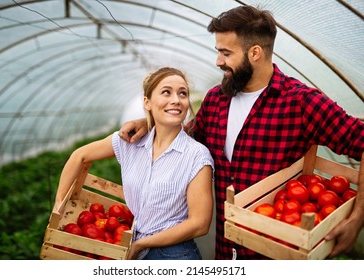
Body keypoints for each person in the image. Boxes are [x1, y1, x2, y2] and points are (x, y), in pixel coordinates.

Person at [118, 5, 364, 260]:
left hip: (278, 254)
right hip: (226, 252)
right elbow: (185, 139)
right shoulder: (216, 100)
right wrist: (151, 121)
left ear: (255, 53)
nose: (218, 61)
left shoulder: (301, 102)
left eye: (226, 53)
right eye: (218, 52)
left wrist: (357, 218)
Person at [54, 67, 214, 260]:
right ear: (147, 102)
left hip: (174, 254)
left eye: (183, 93)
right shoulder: (130, 142)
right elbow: (80, 156)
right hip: (132, 246)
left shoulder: (196, 155)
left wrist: (141, 244)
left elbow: (200, 223)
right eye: (166, 92)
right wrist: (58, 207)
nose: (176, 100)